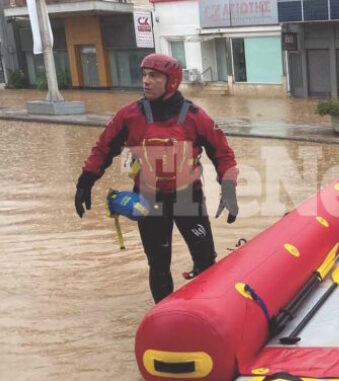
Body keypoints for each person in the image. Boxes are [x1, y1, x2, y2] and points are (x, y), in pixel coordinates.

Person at [74, 53, 239, 303]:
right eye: (144, 75)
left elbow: (223, 153)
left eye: (154, 76)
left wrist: (228, 188)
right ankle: (164, 318)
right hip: (148, 200)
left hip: (188, 198)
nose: (146, 81)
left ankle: (208, 311)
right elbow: (103, 148)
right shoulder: (129, 116)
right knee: (159, 265)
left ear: (171, 81)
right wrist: (85, 181)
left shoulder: (196, 117)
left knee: (205, 259)